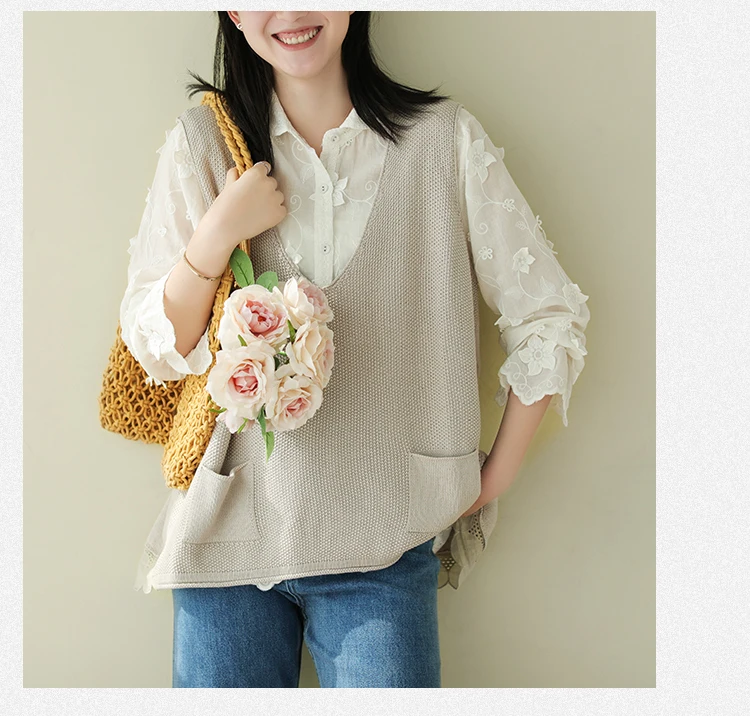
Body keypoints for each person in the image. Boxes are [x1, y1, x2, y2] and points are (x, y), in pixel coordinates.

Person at [121, 10, 591, 688]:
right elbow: (156, 348)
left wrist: (490, 481)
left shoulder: (443, 142)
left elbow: (548, 315)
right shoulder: (202, 144)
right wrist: (216, 234)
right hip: (225, 545)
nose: (291, 13)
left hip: (384, 550)